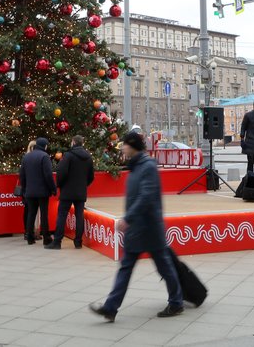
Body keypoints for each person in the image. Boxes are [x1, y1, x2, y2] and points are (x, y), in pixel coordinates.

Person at [90, 131, 182, 322]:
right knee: (126, 267)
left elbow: (146, 196)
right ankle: (110, 308)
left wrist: (128, 218)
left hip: (149, 227)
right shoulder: (135, 167)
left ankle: (176, 302)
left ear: (132, 146)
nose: (122, 147)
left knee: (164, 266)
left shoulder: (147, 167)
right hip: (137, 228)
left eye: (124, 144)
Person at [47, 135, 95, 250]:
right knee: (79, 215)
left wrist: (60, 185)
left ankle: (57, 241)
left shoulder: (68, 156)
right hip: (81, 191)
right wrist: (84, 184)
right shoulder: (88, 157)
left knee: (62, 215)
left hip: (67, 191)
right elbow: (91, 176)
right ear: (82, 143)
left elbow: (61, 172)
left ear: (73, 142)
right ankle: (78, 242)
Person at [20, 137, 56, 245]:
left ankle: (30, 237)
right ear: (44, 145)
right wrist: (53, 188)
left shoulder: (26, 157)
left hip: (30, 191)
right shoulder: (44, 156)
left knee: (31, 213)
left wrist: (24, 189)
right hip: (42, 191)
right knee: (44, 214)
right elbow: (48, 175)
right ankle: (46, 237)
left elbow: (22, 175)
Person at [20, 139, 37, 241]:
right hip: (32, 189)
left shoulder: (25, 158)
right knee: (30, 211)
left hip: (27, 189)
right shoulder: (35, 158)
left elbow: (22, 175)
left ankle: (27, 232)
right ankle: (29, 232)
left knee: (28, 210)